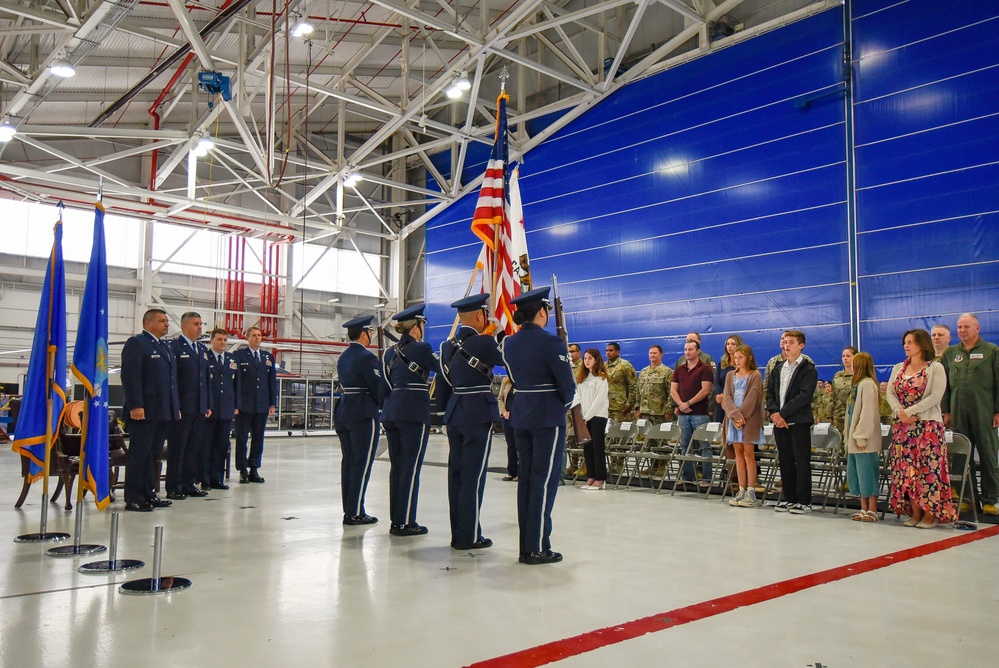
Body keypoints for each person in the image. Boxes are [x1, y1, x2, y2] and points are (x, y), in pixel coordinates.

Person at [502, 287, 576, 565]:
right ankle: (538, 547)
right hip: (547, 415)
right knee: (544, 481)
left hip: (521, 414)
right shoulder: (552, 342)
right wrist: (567, 403)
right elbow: (566, 385)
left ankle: (526, 546)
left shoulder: (508, 343)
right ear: (543, 312)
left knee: (528, 481)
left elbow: (513, 378)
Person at [437, 294, 504, 550]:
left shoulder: (446, 346)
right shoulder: (484, 343)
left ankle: (458, 534)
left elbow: (443, 384)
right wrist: (499, 334)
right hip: (477, 413)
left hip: (455, 413)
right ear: (480, 316)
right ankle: (470, 536)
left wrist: (444, 415)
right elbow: (509, 358)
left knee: (456, 474)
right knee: (473, 477)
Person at [887, 329, 957, 527]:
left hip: (928, 428)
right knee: (907, 471)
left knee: (928, 471)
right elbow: (890, 393)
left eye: (911, 342)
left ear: (922, 344)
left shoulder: (935, 368)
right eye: (905, 342)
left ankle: (930, 514)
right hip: (903, 428)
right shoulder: (898, 368)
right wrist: (899, 411)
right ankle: (914, 513)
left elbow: (935, 396)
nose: (906, 345)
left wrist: (911, 411)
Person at [381, 304, 440, 537]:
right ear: (416, 327)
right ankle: (405, 522)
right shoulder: (422, 349)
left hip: (392, 411)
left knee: (397, 468)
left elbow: (383, 385)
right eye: (422, 324)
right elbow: (443, 370)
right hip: (413, 413)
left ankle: (397, 519)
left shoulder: (389, 352)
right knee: (410, 468)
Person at [120, 308, 180, 511]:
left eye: (166, 321)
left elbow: (170, 382)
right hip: (144, 412)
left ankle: (149, 493)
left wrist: (174, 407)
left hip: (162, 411)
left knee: (152, 455)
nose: (166, 324)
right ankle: (133, 497)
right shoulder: (137, 344)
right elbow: (131, 377)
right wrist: (136, 405)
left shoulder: (165, 346)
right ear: (148, 323)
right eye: (162, 321)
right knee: (139, 455)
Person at [941, 313, 999, 515]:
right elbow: (944, 385)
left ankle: (990, 500)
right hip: (958, 410)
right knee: (960, 456)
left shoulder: (991, 351)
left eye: (966, 327)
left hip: (984, 410)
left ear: (977, 328)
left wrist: (998, 410)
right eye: (959, 327)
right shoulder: (950, 354)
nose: (962, 331)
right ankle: (968, 498)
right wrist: (945, 410)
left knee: (988, 455)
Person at [334, 315, 381, 526]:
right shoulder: (367, 357)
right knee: (362, 464)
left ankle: (350, 509)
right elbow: (377, 388)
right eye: (370, 332)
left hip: (344, 410)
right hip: (363, 412)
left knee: (349, 463)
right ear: (364, 333)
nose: (371, 335)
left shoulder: (343, 357)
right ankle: (355, 512)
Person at [765, 330, 818, 514]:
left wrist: (783, 414)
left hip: (798, 422)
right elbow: (770, 392)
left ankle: (804, 501)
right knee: (785, 461)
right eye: (785, 342)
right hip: (779, 422)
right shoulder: (779, 367)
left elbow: (804, 396)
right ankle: (790, 498)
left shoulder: (808, 369)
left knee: (801, 461)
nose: (787, 345)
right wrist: (774, 413)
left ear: (801, 345)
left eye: (792, 342)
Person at [165, 311, 212, 500]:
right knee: (178, 448)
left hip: (199, 407)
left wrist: (207, 403)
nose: (200, 327)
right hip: (182, 408)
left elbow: (205, 380)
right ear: (185, 326)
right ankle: (174, 486)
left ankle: (189, 483)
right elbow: (172, 381)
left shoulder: (201, 350)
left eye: (201, 324)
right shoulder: (175, 347)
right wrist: (175, 405)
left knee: (194, 447)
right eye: (196, 324)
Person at [721, 344, 764, 507]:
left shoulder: (755, 375)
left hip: (749, 420)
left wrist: (741, 417)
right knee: (737, 454)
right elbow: (727, 397)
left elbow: (753, 398)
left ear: (748, 358)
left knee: (748, 455)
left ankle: (751, 490)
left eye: (741, 357)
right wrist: (734, 416)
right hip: (733, 420)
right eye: (735, 358)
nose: (737, 360)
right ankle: (741, 488)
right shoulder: (730, 375)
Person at [234, 326, 277, 484]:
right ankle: (242, 469)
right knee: (242, 438)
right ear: (247, 338)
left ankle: (254, 468)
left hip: (261, 405)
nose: (257, 338)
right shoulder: (239, 355)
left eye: (259, 335)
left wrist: (272, 402)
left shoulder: (267, 357)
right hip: (244, 405)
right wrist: (236, 403)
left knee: (258, 438)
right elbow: (236, 381)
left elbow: (271, 381)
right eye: (253, 335)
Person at [671, 340, 714, 487]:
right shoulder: (679, 370)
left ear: (698, 351)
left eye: (690, 349)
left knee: (704, 446)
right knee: (685, 446)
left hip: (700, 414)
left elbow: (705, 390)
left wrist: (688, 403)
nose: (687, 352)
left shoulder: (705, 369)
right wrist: (681, 405)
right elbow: (673, 390)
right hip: (683, 415)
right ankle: (687, 477)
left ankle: (706, 478)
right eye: (685, 349)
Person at [845, 352, 882, 522]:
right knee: (858, 475)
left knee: (867, 473)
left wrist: (861, 436)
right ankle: (863, 507)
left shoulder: (867, 385)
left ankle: (873, 509)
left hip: (864, 441)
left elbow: (867, 413)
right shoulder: (856, 386)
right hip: (854, 440)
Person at [204, 328, 239, 490]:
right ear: (212, 340)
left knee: (221, 445)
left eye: (225, 340)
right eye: (219, 339)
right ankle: (204, 478)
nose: (223, 343)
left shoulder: (232, 359)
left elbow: (236, 385)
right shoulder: (205, 357)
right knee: (206, 445)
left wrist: (236, 405)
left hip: (226, 409)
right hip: (209, 410)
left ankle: (217, 478)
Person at [575, 348, 609, 491]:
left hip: (597, 417)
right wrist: (580, 415)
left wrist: (587, 416)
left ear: (596, 360)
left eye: (590, 358)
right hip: (584, 417)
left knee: (597, 448)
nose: (587, 361)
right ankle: (591, 476)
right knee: (587, 447)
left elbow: (599, 400)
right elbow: (579, 396)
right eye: (585, 358)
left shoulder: (601, 378)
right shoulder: (582, 378)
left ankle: (600, 479)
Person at [635, 344, 674, 426]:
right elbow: (638, 392)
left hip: (660, 413)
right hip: (644, 412)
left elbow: (671, 393)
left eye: (655, 353)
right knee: (644, 437)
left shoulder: (667, 372)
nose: (652, 355)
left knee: (660, 437)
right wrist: (637, 408)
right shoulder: (643, 372)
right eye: (650, 353)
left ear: (661, 355)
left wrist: (669, 411)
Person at [714, 335, 744, 423]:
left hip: (735, 400)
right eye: (728, 344)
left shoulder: (742, 363)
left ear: (738, 346)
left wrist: (726, 396)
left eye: (733, 344)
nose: (730, 346)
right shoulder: (722, 362)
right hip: (721, 400)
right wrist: (719, 394)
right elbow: (717, 381)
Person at [604, 342, 636, 424]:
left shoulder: (625, 365)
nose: (608, 352)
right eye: (606, 350)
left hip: (621, 407)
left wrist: (629, 404)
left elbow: (633, 386)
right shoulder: (603, 366)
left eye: (611, 350)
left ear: (617, 352)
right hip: (606, 407)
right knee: (608, 434)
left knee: (622, 433)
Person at [565, 343, 584, 476]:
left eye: (573, 351)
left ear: (579, 353)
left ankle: (584, 465)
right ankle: (573, 464)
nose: (570, 354)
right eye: (569, 351)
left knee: (580, 436)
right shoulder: (566, 366)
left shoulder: (584, 366)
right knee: (570, 438)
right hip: (568, 406)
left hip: (580, 405)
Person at [830, 347, 857, 434]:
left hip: (854, 414)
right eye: (843, 356)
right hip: (838, 415)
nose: (845, 358)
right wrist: (829, 415)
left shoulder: (859, 375)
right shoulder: (838, 375)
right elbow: (833, 396)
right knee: (839, 442)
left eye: (848, 356)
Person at [497, 376, 517, 482]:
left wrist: (515, 412)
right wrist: (503, 412)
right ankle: (511, 472)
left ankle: (521, 472)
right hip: (507, 417)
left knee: (520, 445)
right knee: (511, 445)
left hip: (519, 416)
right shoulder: (506, 380)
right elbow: (500, 398)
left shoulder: (522, 380)